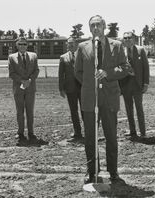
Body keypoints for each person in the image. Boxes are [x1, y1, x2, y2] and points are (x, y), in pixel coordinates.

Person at [74, 15, 133, 184]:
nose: (95, 28)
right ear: (89, 28)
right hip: (89, 99)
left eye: (99, 25)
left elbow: (125, 67)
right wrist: (90, 84)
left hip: (109, 98)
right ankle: (92, 171)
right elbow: (77, 72)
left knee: (111, 137)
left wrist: (108, 74)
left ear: (104, 27)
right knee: (90, 138)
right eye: (92, 25)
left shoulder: (117, 45)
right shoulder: (82, 47)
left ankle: (113, 171)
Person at [8, 37, 48, 146]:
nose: (22, 46)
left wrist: (30, 80)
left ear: (27, 45)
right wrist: (22, 81)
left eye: (24, 44)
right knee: (19, 112)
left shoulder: (33, 56)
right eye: (20, 44)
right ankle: (20, 133)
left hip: (30, 88)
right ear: (16, 45)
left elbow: (36, 70)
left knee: (30, 112)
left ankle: (31, 133)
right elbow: (11, 73)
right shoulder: (11, 57)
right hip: (18, 88)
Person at [120, 31, 149, 139]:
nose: (127, 39)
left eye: (129, 37)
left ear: (133, 39)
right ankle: (132, 131)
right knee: (129, 109)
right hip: (126, 85)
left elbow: (146, 68)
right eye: (125, 38)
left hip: (137, 85)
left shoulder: (141, 50)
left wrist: (146, 83)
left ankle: (143, 132)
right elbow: (119, 67)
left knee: (139, 109)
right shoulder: (121, 52)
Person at [58, 37, 84, 141]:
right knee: (74, 111)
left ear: (77, 44)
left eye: (73, 43)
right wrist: (61, 88)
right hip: (70, 88)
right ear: (67, 45)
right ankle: (77, 132)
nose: (71, 45)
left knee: (84, 110)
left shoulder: (83, 56)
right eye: (69, 43)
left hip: (83, 87)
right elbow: (61, 74)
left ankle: (88, 131)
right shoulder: (63, 57)